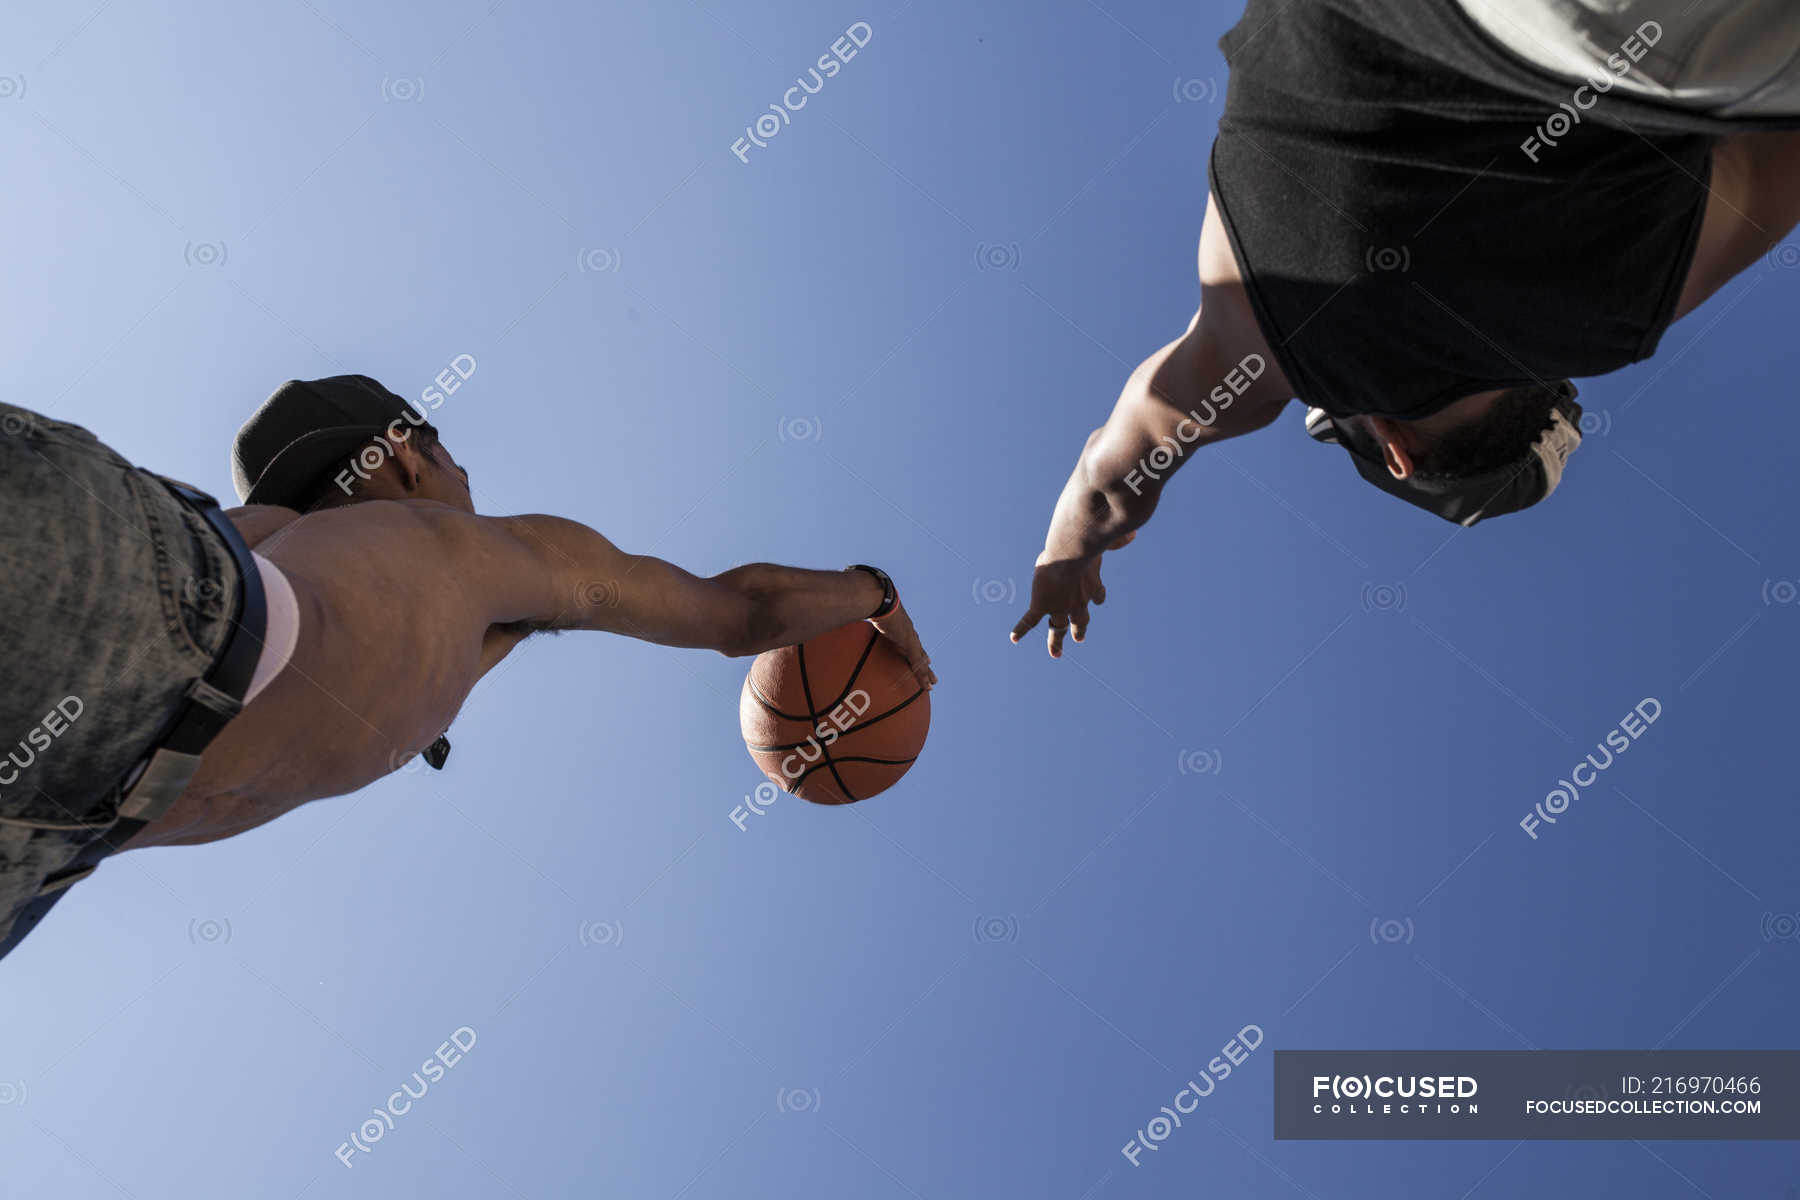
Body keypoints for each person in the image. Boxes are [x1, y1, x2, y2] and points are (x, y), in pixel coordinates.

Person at [0, 376, 933, 960]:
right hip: (141, 646)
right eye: (449, 453)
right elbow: (744, 614)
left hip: (63, 823)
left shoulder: (322, 550)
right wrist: (879, 597)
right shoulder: (488, 549)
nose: (462, 476)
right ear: (406, 453)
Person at [1013, 0, 1800, 657]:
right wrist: (1063, 557)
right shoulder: (1252, 349)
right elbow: (1108, 480)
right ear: (1392, 448)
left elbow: (1775, 165)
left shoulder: (1611, 315)